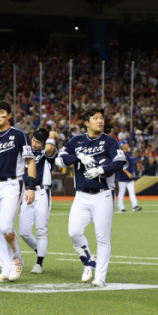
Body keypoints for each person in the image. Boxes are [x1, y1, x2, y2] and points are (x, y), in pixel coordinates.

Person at [55, 107, 127, 287]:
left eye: (101, 118)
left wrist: (100, 170)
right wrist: (79, 156)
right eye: (95, 118)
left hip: (103, 194)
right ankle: (89, 262)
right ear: (86, 123)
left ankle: (100, 277)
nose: (100, 121)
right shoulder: (76, 141)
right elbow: (59, 160)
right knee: (73, 232)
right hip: (81, 195)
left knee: (102, 238)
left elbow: (120, 161)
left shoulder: (109, 141)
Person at [0, 101, 37, 283]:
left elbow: (30, 162)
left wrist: (31, 186)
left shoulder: (19, 135)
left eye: (1, 113)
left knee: (5, 226)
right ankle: (4, 269)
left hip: (13, 184)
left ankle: (17, 261)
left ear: (9, 115)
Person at [18, 128, 58, 274]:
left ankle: (39, 263)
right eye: (33, 140)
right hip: (27, 192)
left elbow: (49, 149)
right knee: (24, 231)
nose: (35, 144)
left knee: (41, 230)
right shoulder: (25, 150)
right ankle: (40, 250)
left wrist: (51, 138)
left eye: (38, 142)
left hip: (42, 192)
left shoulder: (46, 152)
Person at [116, 140, 142, 213]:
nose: (127, 144)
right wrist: (128, 173)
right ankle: (121, 208)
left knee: (132, 192)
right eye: (125, 144)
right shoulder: (120, 154)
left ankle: (135, 206)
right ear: (122, 146)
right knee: (121, 192)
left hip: (129, 176)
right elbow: (121, 165)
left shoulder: (128, 154)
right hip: (122, 177)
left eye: (127, 143)